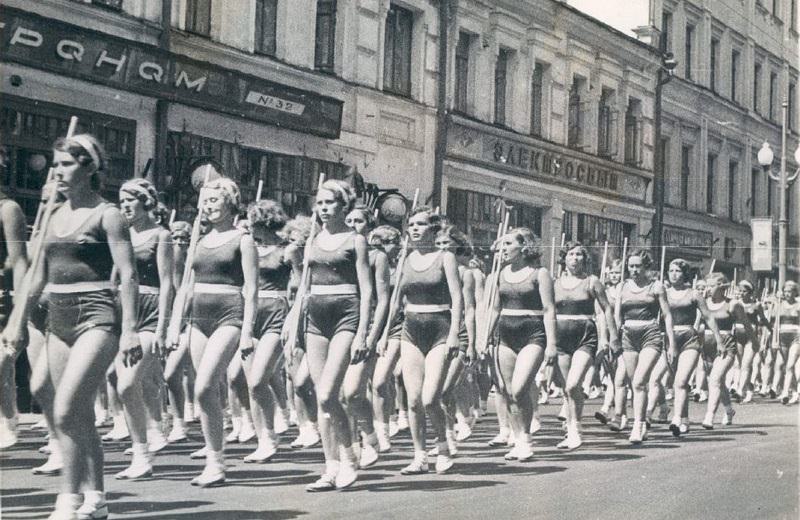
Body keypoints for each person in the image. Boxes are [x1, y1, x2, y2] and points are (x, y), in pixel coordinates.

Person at [2, 134, 140, 519]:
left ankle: (68, 501)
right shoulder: (52, 217)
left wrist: (130, 329)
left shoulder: (108, 214)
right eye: (55, 163)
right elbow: (34, 279)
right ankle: (97, 498)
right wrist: (16, 322)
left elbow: (127, 275)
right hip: (57, 318)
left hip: (97, 316)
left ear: (89, 167)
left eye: (65, 164)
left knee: (64, 411)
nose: (57, 171)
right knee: (77, 414)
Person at [166, 177, 258, 487]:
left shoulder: (243, 240)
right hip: (198, 318)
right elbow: (186, 287)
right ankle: (214, 458)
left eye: (213, 201)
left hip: (229, 314)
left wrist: (247, 332)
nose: (206, 206)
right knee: (204, 389)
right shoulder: (199, 241)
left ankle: (217, 460)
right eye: (203, 201)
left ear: (230, 202)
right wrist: (174, 326)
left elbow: (252, 289)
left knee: (204, 386)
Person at [297, 180, 373, 491]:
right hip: (315, 318)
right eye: (319, 203)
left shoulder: (356, 241)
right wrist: (293, 328)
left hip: (346, 315)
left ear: (344, 206)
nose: (324, 209)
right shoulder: (312, 241)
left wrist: (362, 334)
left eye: (330, 203)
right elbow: (304, 287)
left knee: (329, 394)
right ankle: (330, 467)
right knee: (320, 398)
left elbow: (367, 292)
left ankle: (349, 456)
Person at [394, 207, 463, 475]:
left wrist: (456, 332)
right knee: (412, 400)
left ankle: (444, 447)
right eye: (411, 224)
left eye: (420, 224)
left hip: (440, 328)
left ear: (433, 229)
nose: (414, 229)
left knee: (430, 398)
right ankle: (420, 455)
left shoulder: (445, 257)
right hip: (410, 329)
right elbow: (395, 300)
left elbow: (457, 299)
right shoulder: (405, 258)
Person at [114, 179, 174, 479]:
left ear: (145, 201)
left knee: (128, 384)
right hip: (123, 313)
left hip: (150, 313)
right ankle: (145, 443)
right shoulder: (120, 234)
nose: (124, 205)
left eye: (130, 199)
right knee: (127, 382)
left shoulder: (161, 235)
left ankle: (145, 446)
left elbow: (167, 285)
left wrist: (164, 327)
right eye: (120, 200)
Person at [480, 228, 555, 460]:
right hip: (505, 334)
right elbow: (493, 309)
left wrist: (551, 343)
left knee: (520, 388)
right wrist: (484, 338)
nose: (502, 249)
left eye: (508, 243)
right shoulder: (497, 275)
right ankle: (520, 439)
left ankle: (526, 438)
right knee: (507, 390)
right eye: (501, 244)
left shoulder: (539, 273)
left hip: (533, 333)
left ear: (524, 247)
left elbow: (549, 309)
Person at [240, 199, 300, 462]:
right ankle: (265, 438)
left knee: (258, 379)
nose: (252, 227)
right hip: (251, 312)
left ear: (267, 223)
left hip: (277, 311)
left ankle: (277, 423)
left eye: (256, 222)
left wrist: (293, 320)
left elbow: (299, 286)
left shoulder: (287, 250)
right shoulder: (248, 248)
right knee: (249, 383)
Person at [553, 242, 619, 449]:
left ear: (585, 259)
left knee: (574, 384)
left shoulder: (592, 282)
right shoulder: (555, 283)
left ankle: (575, 429)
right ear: (564, 258)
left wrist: (610, 337)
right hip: (560, 336)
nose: (575, 258)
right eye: (571, 254)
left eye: (580, 254)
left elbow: (606, 309)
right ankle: (572, 429)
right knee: (566, 388)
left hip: (585, 335)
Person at [341, 205, 389, 468]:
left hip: (366, 327)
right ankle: (353, 446)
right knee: (338, 395)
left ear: (368, 225)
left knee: (353, 392)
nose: (352, 224)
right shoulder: (341, 252)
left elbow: (382, 301)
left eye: (358, 220)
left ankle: (370, 437)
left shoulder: (376, 256)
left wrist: (372, 336)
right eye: (348, 219)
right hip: (340, 324)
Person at [617, 249, 675, 444]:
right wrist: (614, 338)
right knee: (635, 384)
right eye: (631, 266)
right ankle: (641, 421)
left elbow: (667, 315)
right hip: (628, 335)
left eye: (638, 266)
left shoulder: (656, 287)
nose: (634, 270)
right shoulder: (622, 287)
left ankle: (638, 424)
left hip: (650, 333)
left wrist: (671, 342)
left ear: (646, 267)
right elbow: (618, 315)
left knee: (640, 381)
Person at [665, 259, 722, 436]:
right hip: (669, 339)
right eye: (671, 270)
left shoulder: (694, 294)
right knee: (673, 381)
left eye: (678, 271)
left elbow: (709, 317)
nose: (674, 274)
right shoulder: (663, 293)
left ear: (685, 274)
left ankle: (675, 419)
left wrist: (719, 340)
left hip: (689, 339)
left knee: (681, 381)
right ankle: (684, 419)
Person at [701, 273, 755, 428]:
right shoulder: (703, 302)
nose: (708, 289)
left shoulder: (733, 304)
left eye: (712, 286)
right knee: (719, 383)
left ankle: (709, 417)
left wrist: (754, 342)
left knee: (715, 379)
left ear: (722, 287)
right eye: (707, 285)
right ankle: (729, 410)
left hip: (726, 346)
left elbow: (746, 324)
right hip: (707, 344)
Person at [370, 225, 404, 452]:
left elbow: (394, 304)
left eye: (391, 243)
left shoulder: (400, 268)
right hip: (370, 322)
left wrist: (383, 333)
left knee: (381, 380)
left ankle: (383, 431)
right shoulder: (369, 262)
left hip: (395, 326)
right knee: (369, 384)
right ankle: (382, 421)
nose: (388, 249)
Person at [0, 189, 28, 449]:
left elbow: (19, 261)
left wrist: (20, 312)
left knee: (2, 365)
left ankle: (8, 418)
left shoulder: (8, 209)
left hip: (2, 297)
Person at [733, 281, 769, 403]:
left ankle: (739, 390)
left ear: (750, 293)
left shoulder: (756, 305)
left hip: (751, 338)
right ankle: (749, 390)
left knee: (746, 364)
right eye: (740, 291)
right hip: (738, 336)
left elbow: (763, 319)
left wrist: (771, 330)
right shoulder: (735, 304)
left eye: (745, 291)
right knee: (738, 365)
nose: (742, 294)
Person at [775, 281, 800, 404]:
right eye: (785, 291)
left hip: (796, 337)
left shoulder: (799, 305)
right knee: (786, 366)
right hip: (782, 337)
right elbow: (775, 324)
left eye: (789, 291)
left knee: (790, 365)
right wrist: (774, 340)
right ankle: (795, 392)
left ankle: (785, 392)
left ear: (795, 292)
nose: (787, 294)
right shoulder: (779, 305)